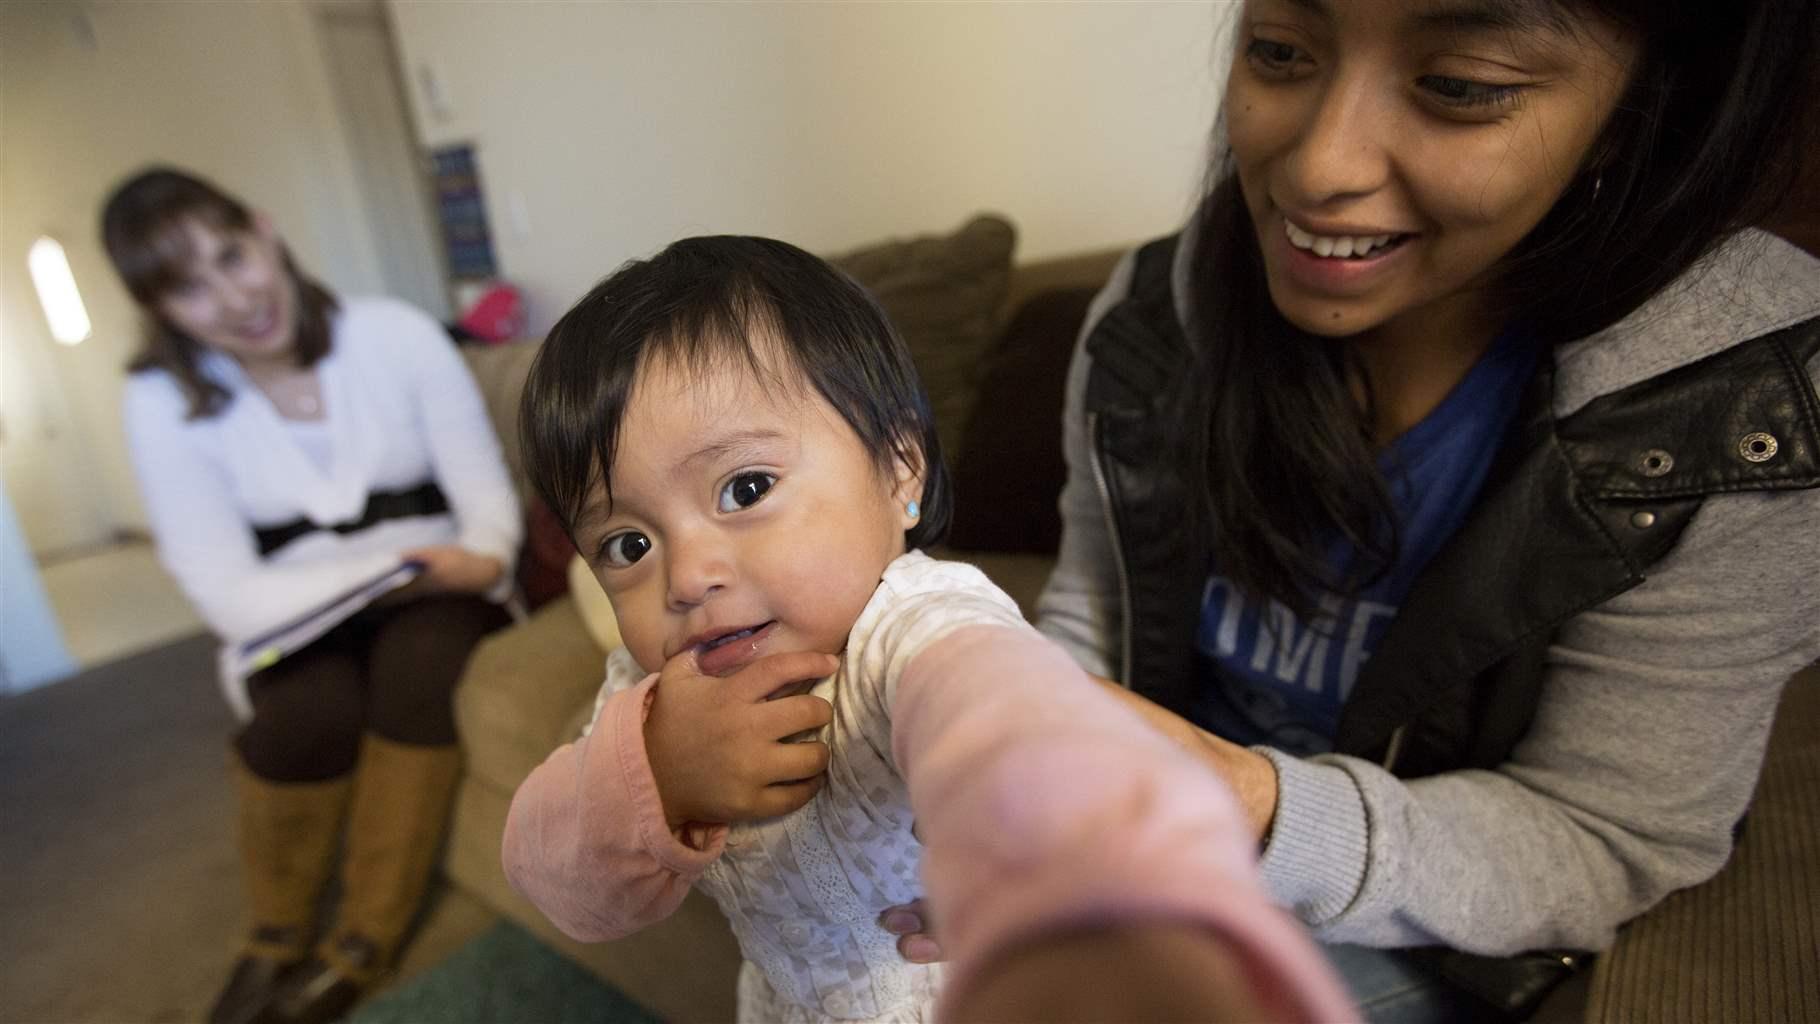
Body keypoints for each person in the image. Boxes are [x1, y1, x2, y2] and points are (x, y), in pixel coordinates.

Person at [880, 0, 1820, 1020]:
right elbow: (1092, 616)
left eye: (1459, 87)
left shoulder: (1736, 404)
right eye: (1280, 52)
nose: (1319, 164)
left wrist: (1241, 802)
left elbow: (1603, 832)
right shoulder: (1151, 316)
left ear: (1639, 111)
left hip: (1430, 924)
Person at [500, 236, 1357, 1023]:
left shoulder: (911, 627)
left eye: (746, 490)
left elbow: (1001, 715)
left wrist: (1063, 864)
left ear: (900, 470)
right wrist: (657, 776)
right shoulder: (651, 701)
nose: (687, 578)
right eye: (629, 543)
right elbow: (567, 890)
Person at [102, 168, 522, 1024]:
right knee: (305, 711)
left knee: (422, 665)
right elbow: (228, 596)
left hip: (437, 595)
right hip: (293, 614)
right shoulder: (157, 401)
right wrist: (387, 568)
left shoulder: (397, 336)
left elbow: (486, 524)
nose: (235, 297)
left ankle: (363, 938)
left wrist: (470, 563)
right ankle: (276, 933)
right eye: (189, 287)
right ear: (161, 310)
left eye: (233, 255)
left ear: (264, 229)